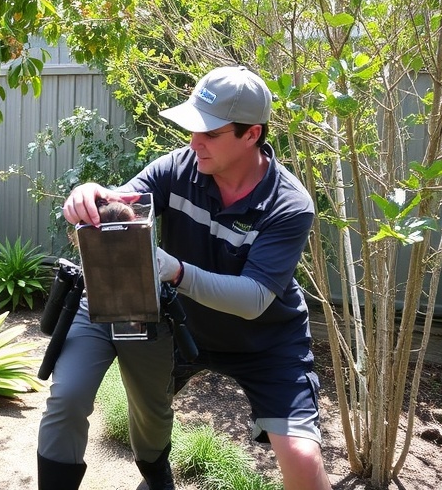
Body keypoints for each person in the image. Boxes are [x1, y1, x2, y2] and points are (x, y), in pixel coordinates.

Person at [36, 65, 331, 490]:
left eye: (210, 134)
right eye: (193, 129)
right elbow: (121, 205)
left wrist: (174, 270)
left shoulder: (288, 204)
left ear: (252, 134)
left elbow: (253, 299)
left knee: (302, 460)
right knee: (142, 411)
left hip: (263, 339)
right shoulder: (179, 167)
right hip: (181, 324)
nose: (195, 142)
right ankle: (157, 479)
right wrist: (91, 193)